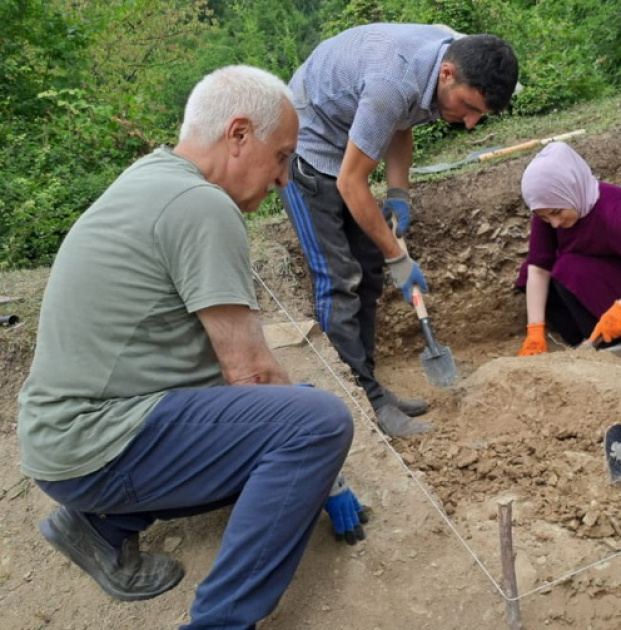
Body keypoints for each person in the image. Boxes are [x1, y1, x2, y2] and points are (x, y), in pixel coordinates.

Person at [17, 65, 368, 630]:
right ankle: (220, 623)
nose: (283, 179)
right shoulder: (201, 206)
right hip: (92, 441)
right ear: (237, 135)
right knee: (316, 424)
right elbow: (249, 374)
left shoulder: (153, 177)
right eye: (281, 156)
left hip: (62, 439)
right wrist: (327, 473)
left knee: (271, 433)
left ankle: (99, 527)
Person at [281, 23, 519, 437]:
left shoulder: (453, 52)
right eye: (467, 106)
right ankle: (358, 401)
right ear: (447, 73)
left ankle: (368, 384)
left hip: (348, 135)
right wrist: (397, 254)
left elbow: (401, 122)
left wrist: (398, 193)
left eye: (480, 114)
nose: (469, 124)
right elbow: (351, 183)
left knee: (368, 271)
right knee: (338, 278)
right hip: (306, 142)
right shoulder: (393, 81)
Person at [514, 142, 621, 356]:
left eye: (557, 213)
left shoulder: (616, 213)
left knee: (568, 269)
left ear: (571, 188)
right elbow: (539, 268)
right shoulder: (549, 208)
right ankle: (583, 340)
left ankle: (619, 342)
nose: (555, 223)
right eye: (545, 217)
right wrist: (535, 331)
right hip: (601, 272)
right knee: (530, 276)